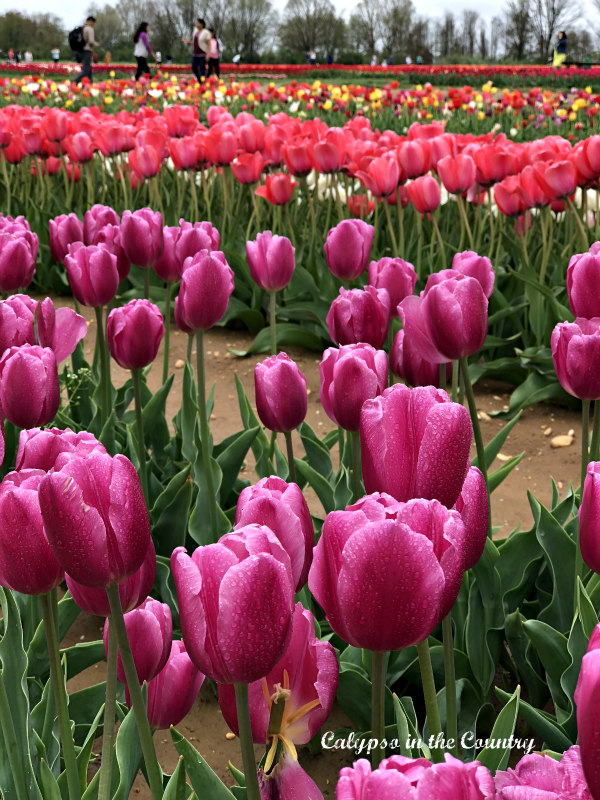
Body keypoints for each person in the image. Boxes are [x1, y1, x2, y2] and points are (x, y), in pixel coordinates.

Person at [182, 18, 210, 84]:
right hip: (195, 54)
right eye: (196, 23)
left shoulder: (206, 32)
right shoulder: (195, 32)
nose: (196, 24)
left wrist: (208, 54)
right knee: (194, 67)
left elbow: (209, 44)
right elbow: (194, 42)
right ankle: (199, 80)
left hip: (202, 54)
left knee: (202, 69)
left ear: (202, 24)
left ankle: (203, 83)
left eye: (197, 23)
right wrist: (188, 42)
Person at [74, 16, 99, 84]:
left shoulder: (82, 28)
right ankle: (74, 82)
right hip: (87, 51)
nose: (93, 24)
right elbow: (91, 41)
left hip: (80, 50)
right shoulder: (89, 29)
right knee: (86, 69)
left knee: (89, 69)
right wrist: (97, 44)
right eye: (93, 23)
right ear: (90, 21)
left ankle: (89, 83)